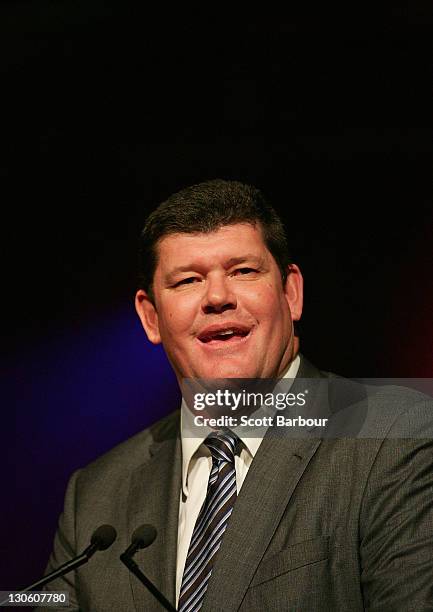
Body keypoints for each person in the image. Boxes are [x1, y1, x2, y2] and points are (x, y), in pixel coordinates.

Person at [43, 179, 433, 611]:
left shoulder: (395, 435)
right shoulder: (95, 494)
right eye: (188, 280)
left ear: (291, 293)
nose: (217, 297)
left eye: (243, 271)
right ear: (151, 317)